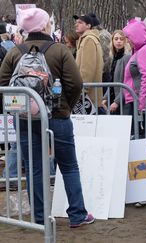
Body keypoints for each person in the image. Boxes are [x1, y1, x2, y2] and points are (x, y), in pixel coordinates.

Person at [0, 7, 94, 227]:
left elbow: (3, 84)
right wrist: (64, 107)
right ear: (44, 25)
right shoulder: (59, 50)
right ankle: (77, 215)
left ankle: (40, 218)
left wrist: (17, 108)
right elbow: (76, 83)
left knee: (34, 167)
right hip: (57, 116)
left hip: (25, 119)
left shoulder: (15, 52)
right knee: (68, 165)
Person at [74, 13, 104, 113]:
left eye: (80, 22)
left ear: (88, 25)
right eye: (76, 22)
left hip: (88, 97)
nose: (76, 24)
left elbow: (87, 69)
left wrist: (82, 91)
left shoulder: (88, 40)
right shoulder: (86, 39)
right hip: (89, 96)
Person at [101, 29, 131, 111]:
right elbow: (112, 81)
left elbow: (128, 83)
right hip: (113, 98)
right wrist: (105, 98)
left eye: (121, 39)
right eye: (116, 39)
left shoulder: (127, 57)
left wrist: (117, 101)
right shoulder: (113, 58)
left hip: (123, 101)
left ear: (125, 41)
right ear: (112, 41)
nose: (118, 41)